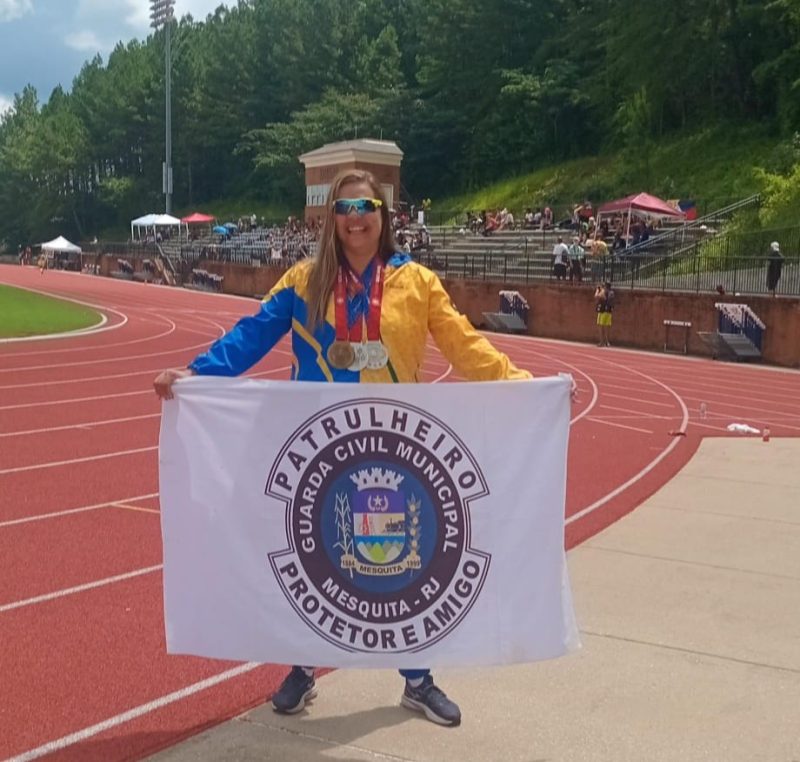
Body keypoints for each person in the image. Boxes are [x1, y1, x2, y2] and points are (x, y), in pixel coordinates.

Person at [153, 169, 531, 728]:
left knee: (405, 566)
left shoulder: (418, 282)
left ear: (384, 216)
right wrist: (197, 373)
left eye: (367, 207)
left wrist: (524, 386)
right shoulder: (304, 281)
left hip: (394, 449)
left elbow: (464, 343)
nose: (357, 218)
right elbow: (252, 334)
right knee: (317, 561)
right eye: (346, 208)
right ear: (331, 218)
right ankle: (304, 666)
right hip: (321, 451)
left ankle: (418, 678)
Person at [595, 281, 615, 347]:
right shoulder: (612, 292)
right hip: (609, 311)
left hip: (602, 311)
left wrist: (597, 290)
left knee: (600, 327)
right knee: (607, 328)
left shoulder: (603, 291)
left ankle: (601, 342)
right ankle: (607, 342)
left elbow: (597, 296)